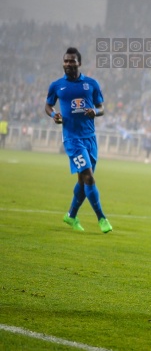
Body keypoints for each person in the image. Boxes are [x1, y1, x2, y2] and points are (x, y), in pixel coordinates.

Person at [44, 47, 112, 233]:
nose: (68, 64)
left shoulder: (91, 84)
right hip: (72, 139)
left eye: (72, 61)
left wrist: (95, 112)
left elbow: (102, 107)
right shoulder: (57, 85)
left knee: (83, 181)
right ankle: (102, 219)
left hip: (90, 138)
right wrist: (54, 116)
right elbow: (48, 105)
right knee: (89, 177)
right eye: (66, 61)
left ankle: (71, 216)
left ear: (79, 63)